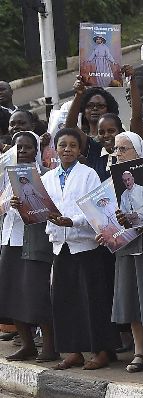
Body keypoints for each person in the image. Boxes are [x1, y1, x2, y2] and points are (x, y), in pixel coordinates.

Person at [42, 128, 118, 370]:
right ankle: (74, 351)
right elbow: (41, 209)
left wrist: (71, 221)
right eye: (62, 145)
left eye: (72, 145)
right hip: (60, 246)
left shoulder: (89, 175)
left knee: (92, 299)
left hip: (86, 245)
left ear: (80, 149)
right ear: (55, 148)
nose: (67, 149)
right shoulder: (47, 178)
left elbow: (96, 211)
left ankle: (101, 351)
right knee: (64, 300)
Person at [106, 130, 143, 374]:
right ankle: (140, 349)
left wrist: (137, 217)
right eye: (116, 149)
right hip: (124, 245)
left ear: (137, 151)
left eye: (123, 149)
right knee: (130, 297)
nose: (118, 154)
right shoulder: (111, 182)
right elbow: (104, 214)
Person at [0, 131, 56, 362]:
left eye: (28, 147)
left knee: (38, 293)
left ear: (37, 150)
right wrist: (10, 202)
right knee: (12, 292)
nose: (23, 152)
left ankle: (50, 346)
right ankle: (27, 344)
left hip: (34, 241)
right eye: (19, 148)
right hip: (11, 239)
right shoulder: (8, 176)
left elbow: (49, 210)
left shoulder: (45, 177)